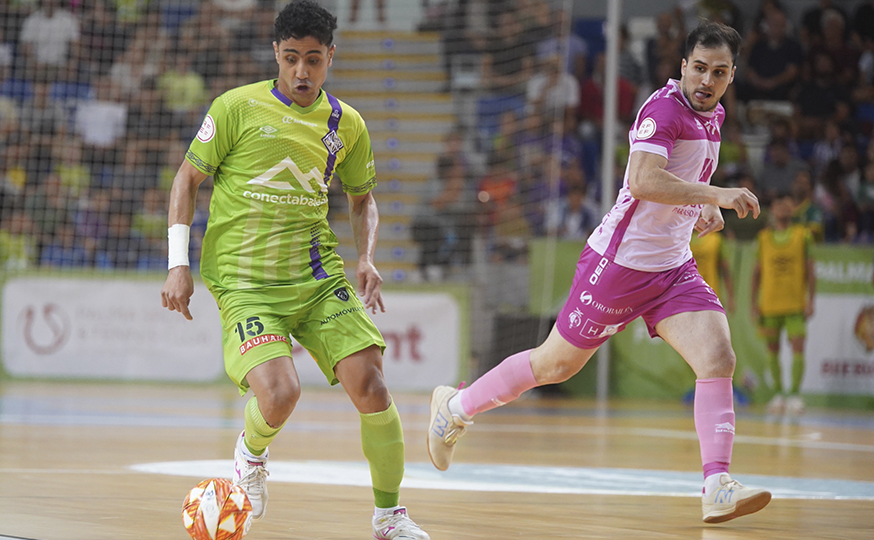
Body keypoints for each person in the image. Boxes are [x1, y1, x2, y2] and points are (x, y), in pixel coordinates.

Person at [428, 21, 772, 524]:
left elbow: (684, 175)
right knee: (554, 366)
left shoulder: (714, 115)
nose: (707, 80)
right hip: (619, 266)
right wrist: (715, 194)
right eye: (699, 68)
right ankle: (455, 408)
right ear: (683, 66)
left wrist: (700, 207)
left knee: (718, 356)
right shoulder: (663, 110)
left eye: (718, 73)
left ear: (731, 76)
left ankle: (716, 485)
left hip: (672, 267)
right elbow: (643, 179)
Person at [159, 3, 429, 539]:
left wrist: (366, 257)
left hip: (317, 277)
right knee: (280, 394)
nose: (301, 71)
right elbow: (186, 180)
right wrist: (177, 264)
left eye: (312, 59)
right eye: (290, 59)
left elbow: (362, 200)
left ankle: (388, 518)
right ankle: (251, 452)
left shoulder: (347, 124)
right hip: (246, 281)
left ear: (331, 56)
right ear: (275, 54)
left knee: (372, 386)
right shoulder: (235, 107)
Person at [752, 192, 815, 416]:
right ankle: (778, 394)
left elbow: (810, 270)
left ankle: (795, 395)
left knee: (798, 347)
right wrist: (753, 303)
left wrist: (811, 299)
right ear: (772, 210)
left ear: (792, 209)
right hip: (769, 303)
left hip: (795, 303)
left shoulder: (802, 235)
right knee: (772, 350)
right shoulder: (763, 238)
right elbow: (756, 273)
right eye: (778, 205)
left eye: (787, 205)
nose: (783, 208)